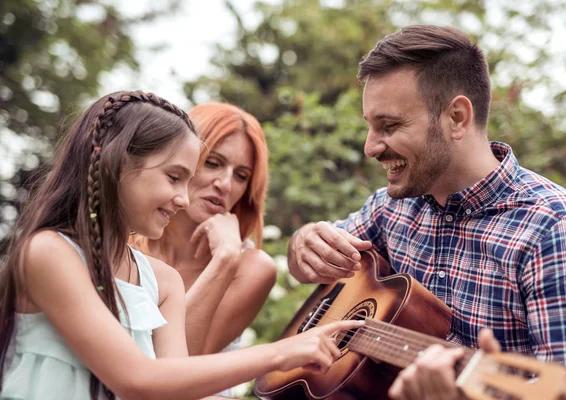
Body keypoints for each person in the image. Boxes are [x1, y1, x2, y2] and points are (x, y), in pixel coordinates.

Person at [286, 25, 566, 400]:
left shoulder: (554, 227)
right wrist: (303, 243)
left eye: (389, 126)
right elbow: (313, 259)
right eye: (370, 127)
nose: (370, 147)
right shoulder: (391, 206)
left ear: (456, 118)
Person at [0, 90, 362, 400]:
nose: (183, 198)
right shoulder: (50, 253)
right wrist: (278, 354)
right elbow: (136, 380)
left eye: (241, 176)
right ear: (115, 164)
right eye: (174, 177)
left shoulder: (163, 280)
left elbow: (170, 387)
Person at [131, 103, 275, 360]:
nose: (225, 184)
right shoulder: (125, 243)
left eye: (241, 176)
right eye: (213, 163)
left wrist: (226, 259)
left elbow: (177, 369)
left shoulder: (251, 267)